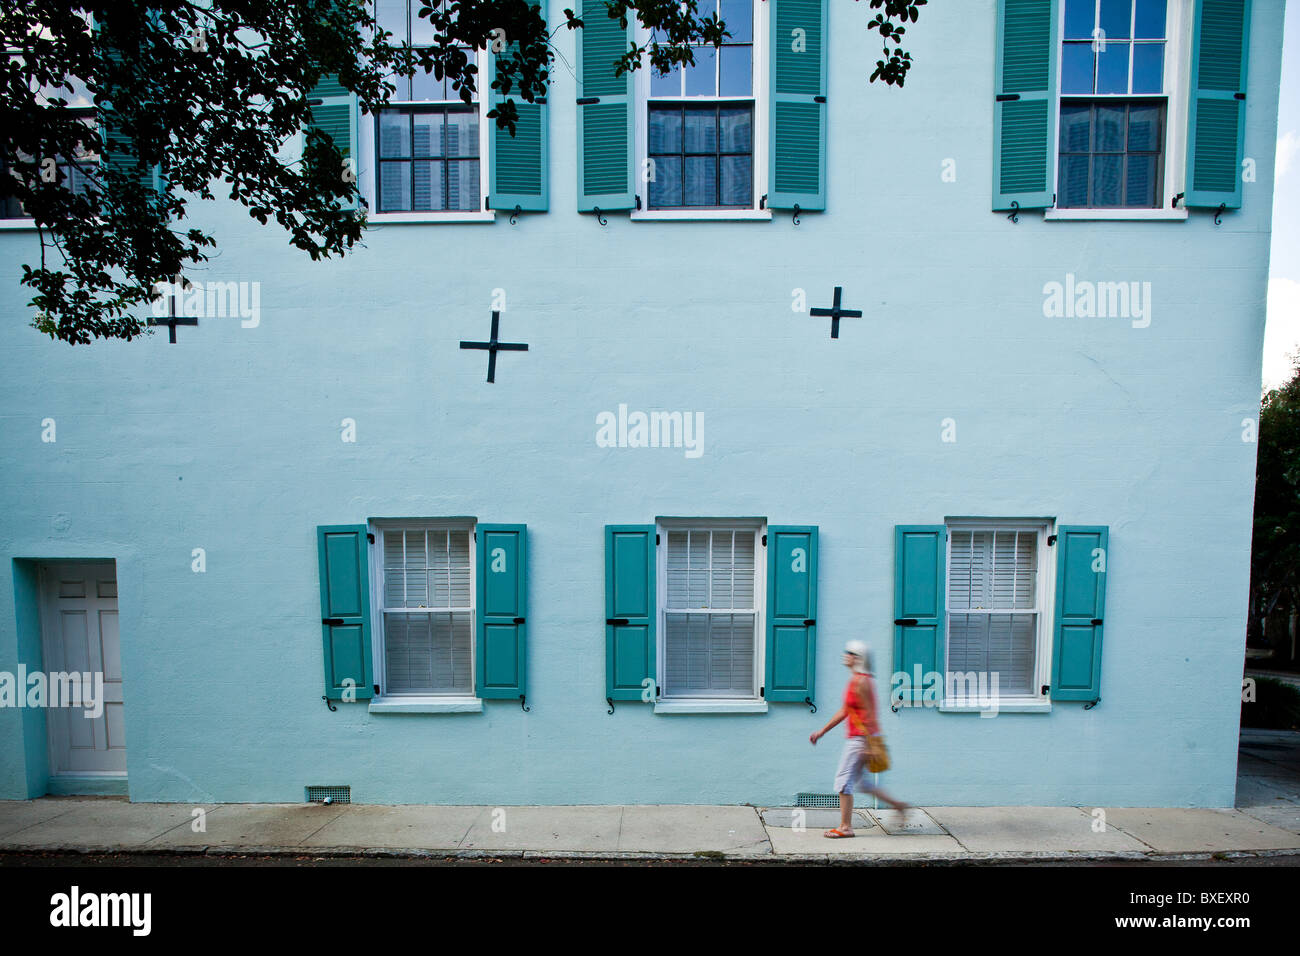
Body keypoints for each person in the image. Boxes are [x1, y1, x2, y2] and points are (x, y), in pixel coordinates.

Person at [809, 640, 909, 837]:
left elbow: (870, 714)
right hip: (861, 737)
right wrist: (822, 731)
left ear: (858, 658)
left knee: (843, 781)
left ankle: (845, 827)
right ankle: (899, 806)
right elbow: (845, 710)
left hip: (860, 738)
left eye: (850, 652)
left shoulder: (862, 682)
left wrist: (868, 743)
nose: (845, 655)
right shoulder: (857, 680)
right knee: (863, 784)